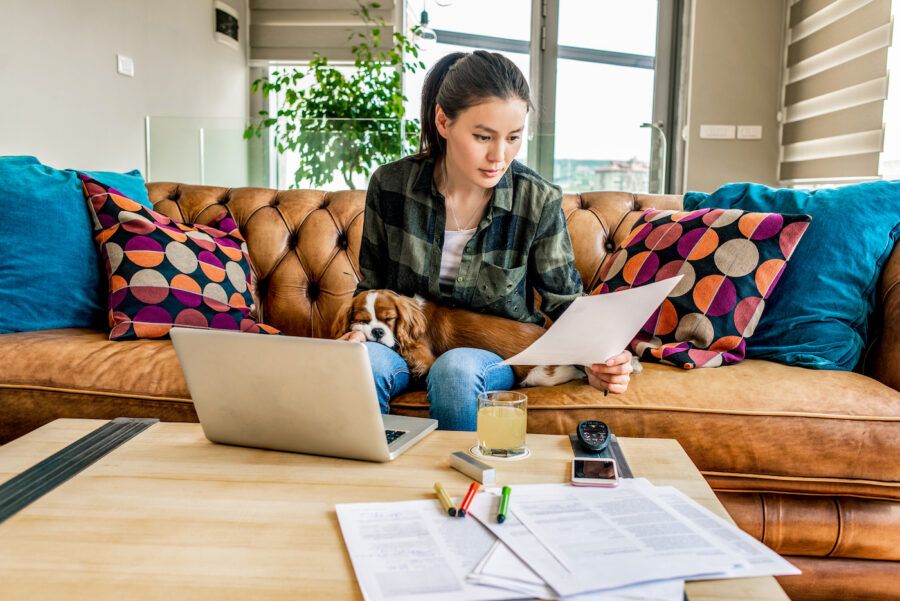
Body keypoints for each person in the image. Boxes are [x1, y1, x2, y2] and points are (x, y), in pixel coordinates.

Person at [338, 50, 633, 430]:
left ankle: (465, 487)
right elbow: (372, 286)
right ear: (443, 121)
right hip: (402, 343)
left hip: (488, 354)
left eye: (513, 138)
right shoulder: (391, 185)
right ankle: (372, 484)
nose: (499, 155)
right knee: (364, 364)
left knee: (455, 368)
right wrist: (355, 334)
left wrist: (600, 358)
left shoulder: (537, 199)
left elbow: (566, 303)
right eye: (482, 137)